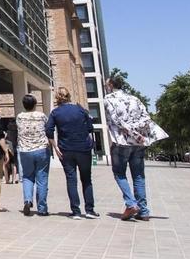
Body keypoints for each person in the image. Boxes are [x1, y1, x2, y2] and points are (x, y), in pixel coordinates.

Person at [103, 74, 167, 221]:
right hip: (138, 143)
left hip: (121, 142)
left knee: (119, 174)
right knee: (138, 176)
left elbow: (114, 119)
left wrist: (127, 130)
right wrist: (136, 133)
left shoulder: (109, 99)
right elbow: (146, 117)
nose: (106, 87)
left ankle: (131, 203)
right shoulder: (135, 99)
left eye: (107, 85)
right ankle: (143, 211)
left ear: (111, 85)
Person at [45, 86, 98, 219]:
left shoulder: (55, 113)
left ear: (57, 98)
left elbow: (48, 130)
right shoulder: (80, 109)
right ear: (69, 96)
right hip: (83, 148)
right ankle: (90, 210)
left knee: (71, 179)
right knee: (86, 179)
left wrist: (55, 147)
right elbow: (90, 127)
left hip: (66, 149)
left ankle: (76, 211)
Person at [16, 94, 50, 216]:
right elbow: (48, 128)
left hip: (25, 150)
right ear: (35, 104)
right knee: (42, 178)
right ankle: (42, 208)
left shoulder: (19, 117)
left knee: (27, 177)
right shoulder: (41, 116)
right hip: (41, 149)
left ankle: (27, 200)